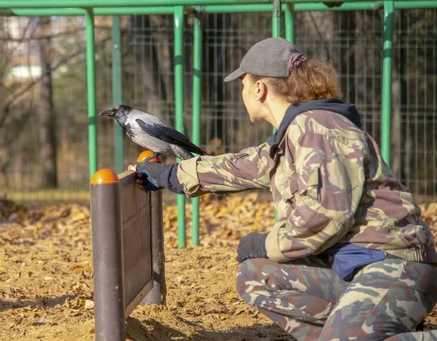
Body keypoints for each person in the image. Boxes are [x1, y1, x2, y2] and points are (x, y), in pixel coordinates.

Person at [134, 37, 437, 340]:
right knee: (256, 277)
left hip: (395, 266)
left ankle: (360, 330)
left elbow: (323, 218)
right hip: (357, 265)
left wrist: (265, 244)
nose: (241, 93)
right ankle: (364, 327)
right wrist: (169, 175)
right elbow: (239, 166)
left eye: (243, 84)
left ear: (259, 89)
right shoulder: (294, 134)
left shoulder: (316, 129)